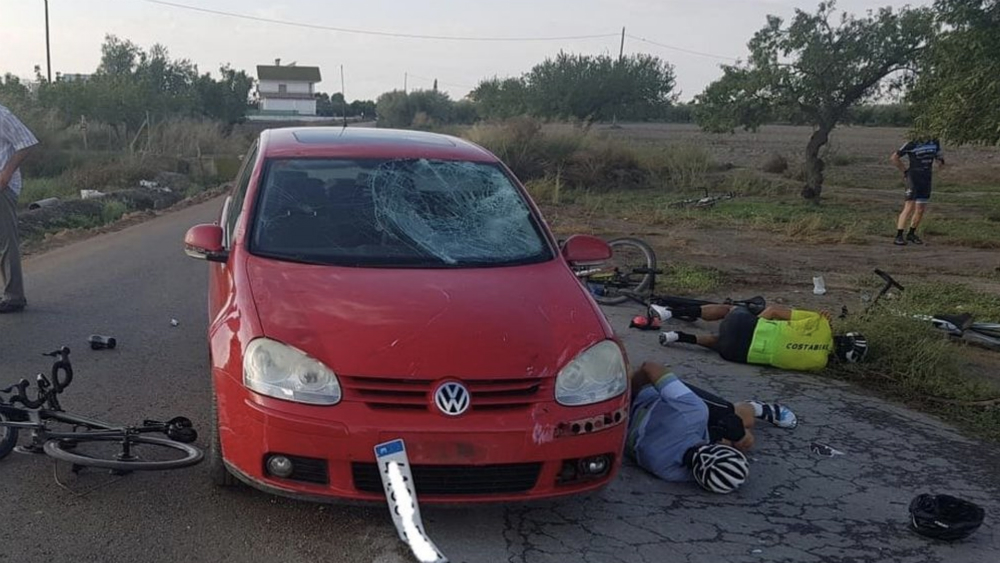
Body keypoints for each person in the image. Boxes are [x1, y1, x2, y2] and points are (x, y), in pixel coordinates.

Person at [627, 361, 797, 494]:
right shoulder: (669, 472)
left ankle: (747, 411)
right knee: (738, 428)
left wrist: (631, 391)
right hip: (638, 421)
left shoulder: (693, 414)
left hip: (644, 404)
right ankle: (754, 408)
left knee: (739, 427)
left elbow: (649, 366)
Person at [652, 303, 868, 371]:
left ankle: (671, 311)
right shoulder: (818, 365)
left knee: (729, 310)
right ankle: (677, 336)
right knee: (720, 342)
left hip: (747, 327)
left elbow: (773, 311)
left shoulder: (821, 322)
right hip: (738, 354)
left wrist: (755, 323)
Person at [0, 103, 38, 313]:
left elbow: (27, 142)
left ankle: (14, 296)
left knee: (6, 241)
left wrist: (6, 173)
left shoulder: (1, 115)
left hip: (2, 188)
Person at [890, 138, 945, 246]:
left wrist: (940, 162)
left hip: (926, 178)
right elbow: (894, 157)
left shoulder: (935, 141)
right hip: (913, 178)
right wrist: (905, 172)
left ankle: (911, 234)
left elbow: (939, 156)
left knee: (920, 209)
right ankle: (899, 235)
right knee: (909, 206)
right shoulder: (912, 142)